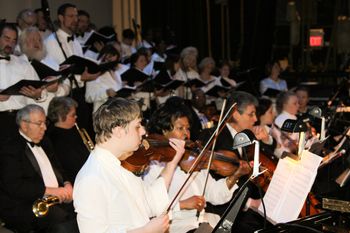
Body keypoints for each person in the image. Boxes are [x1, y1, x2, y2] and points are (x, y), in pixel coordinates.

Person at [73, 97, 185, 232]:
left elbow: (151, 203)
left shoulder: (123, 162)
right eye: (137, 126)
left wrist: (172, 163)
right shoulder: (91, 178)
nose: (143, 131)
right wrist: (146, 231)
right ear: (118, 130)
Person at [144, 102, 251, 233]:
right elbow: (150, 207)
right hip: (176, 227)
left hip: (203, 223)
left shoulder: (194, 159)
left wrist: (235, 176)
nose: (186, 134)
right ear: (164, 130)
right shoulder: (154, 165)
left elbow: (215, 195)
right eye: (180, 128)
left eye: (187, 128)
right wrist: (183, 204)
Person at [0, 104, 78, 233]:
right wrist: (51, 191)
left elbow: (60, 169)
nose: (45, 128)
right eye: (39, 123)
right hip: (26, 204)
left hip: (56, 198)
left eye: (45, 122)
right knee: (64, 223)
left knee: (87, 209)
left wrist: (67, 184)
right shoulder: (10, 148)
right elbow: (14, 186)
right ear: (24, 125)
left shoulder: (45, 141)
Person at [45, 3, 100, 137]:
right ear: (61, 18)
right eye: (71, 16)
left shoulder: (75, 43)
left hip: (78, 93)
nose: (75, 20)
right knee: (66, 136)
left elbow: (79, 69)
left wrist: (85, 76)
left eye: (76, 16)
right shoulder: (51, 42)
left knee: (83, 132)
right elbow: (52, 73)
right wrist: (81, 78)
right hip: (62, 97)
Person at [0, 23, 46, 146]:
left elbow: (41, 91)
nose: (10, 44)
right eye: (7, 39)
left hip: (20, 120)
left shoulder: (23, 64)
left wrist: (37, 95)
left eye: (14, 40)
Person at [19, 26, 69, 113]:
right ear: (23, 43)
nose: (37, 43)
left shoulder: (51, 62)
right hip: (33, 115)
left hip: (56, 113)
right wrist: (42, 92)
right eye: (33, 40)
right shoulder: (18, 64)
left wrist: (57, 89)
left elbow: (67, 86)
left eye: (39, 40)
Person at [47, 96, 90, 183]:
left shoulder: (73, 129)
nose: (76, 117)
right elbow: (74, 165)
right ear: (61, 116)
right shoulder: (55, 139)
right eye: (73, 115)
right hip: (78, 180)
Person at [272, 91, 300, 157]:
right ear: (285, 105)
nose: (298, 105)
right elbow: (286, 144)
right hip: (286, 155)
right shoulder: (281, 120)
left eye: (297, 103)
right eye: (295, 103)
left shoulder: (292, 117)